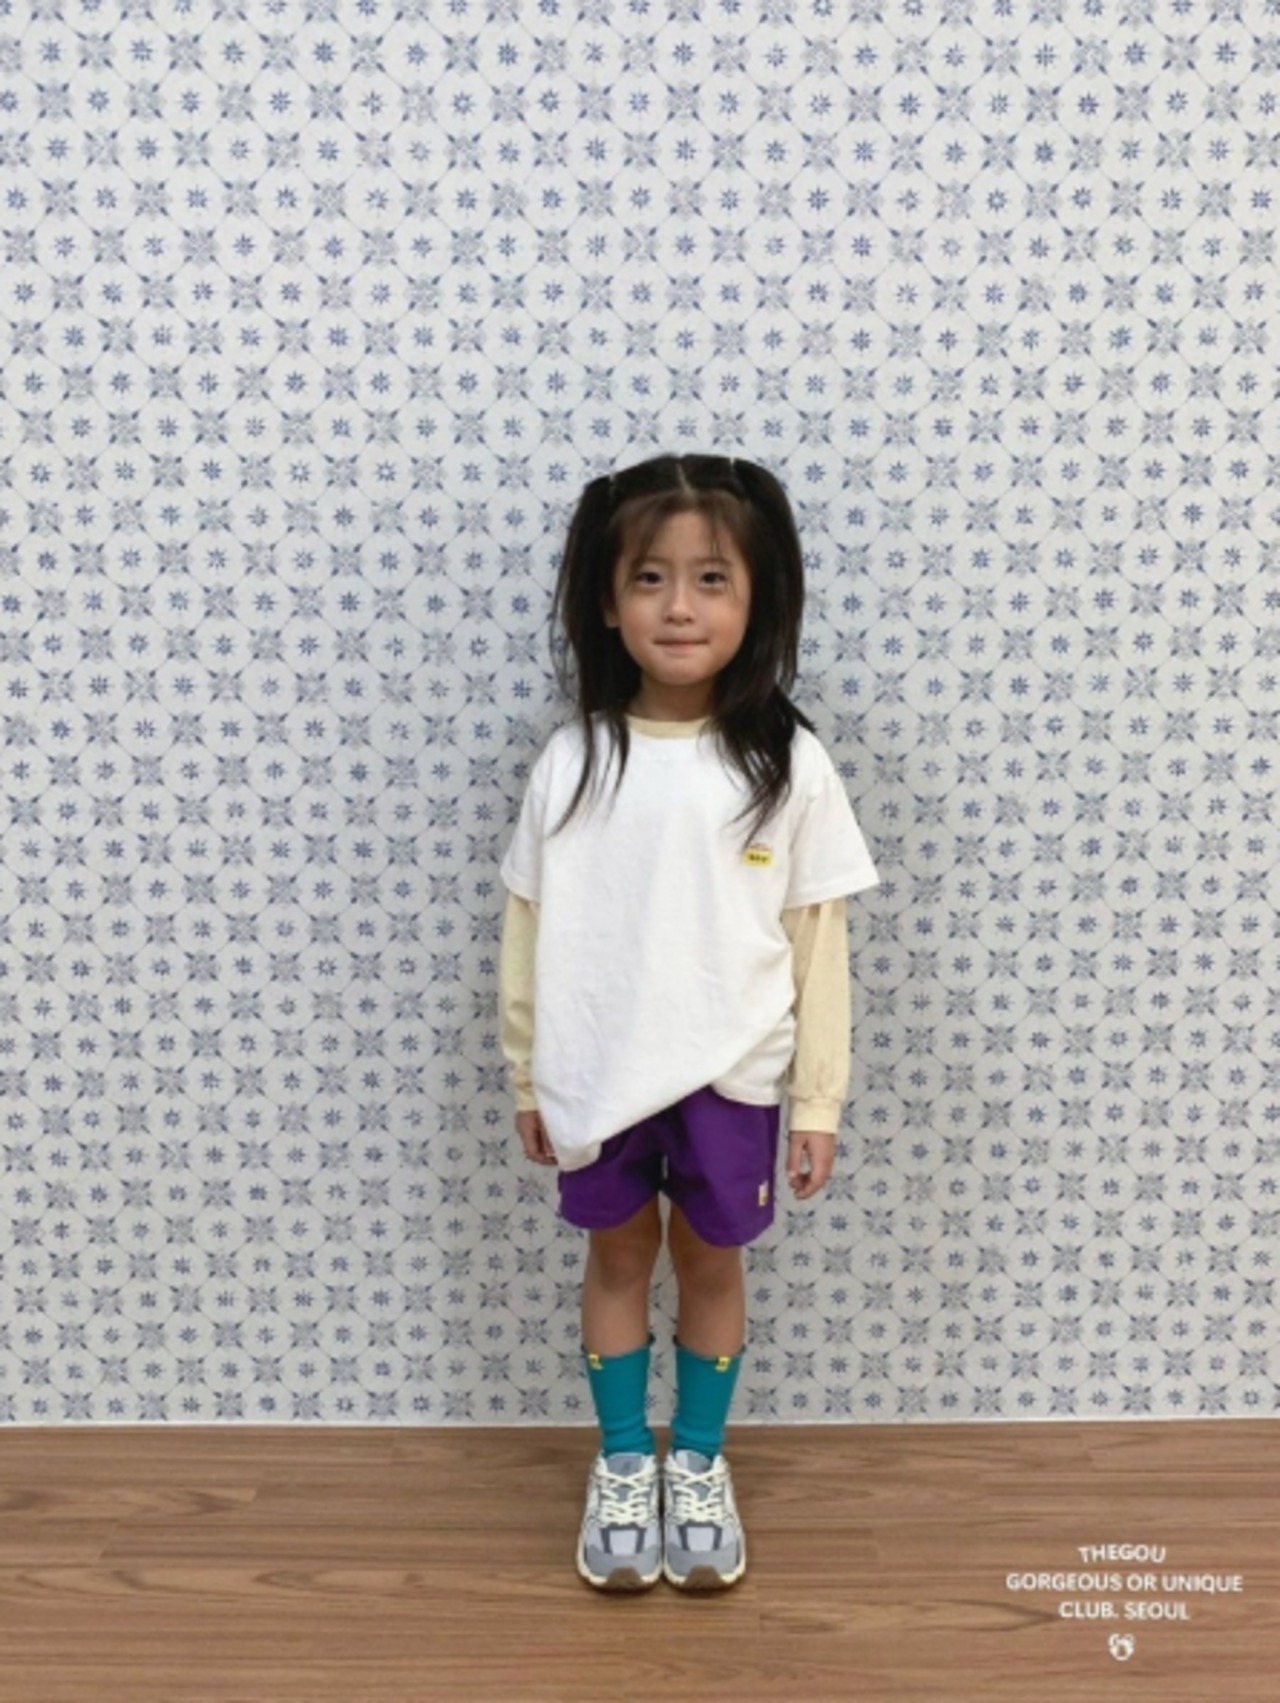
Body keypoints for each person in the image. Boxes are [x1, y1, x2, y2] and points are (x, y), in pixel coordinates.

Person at [499, 453, 878, 1592]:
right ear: (607, 602)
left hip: (733, 1076)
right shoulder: (574, 759)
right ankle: (625, 1460)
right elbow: (528, 925)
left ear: (758, 598)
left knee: (711, 1261)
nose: (678, 606)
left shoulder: (789, 764)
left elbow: (817, 942)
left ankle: (698, 1462)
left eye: (711, 578)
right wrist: (526, 1072)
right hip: (598, 1069)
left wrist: (817, 1101)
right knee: (616, 1253)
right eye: (649, 577)